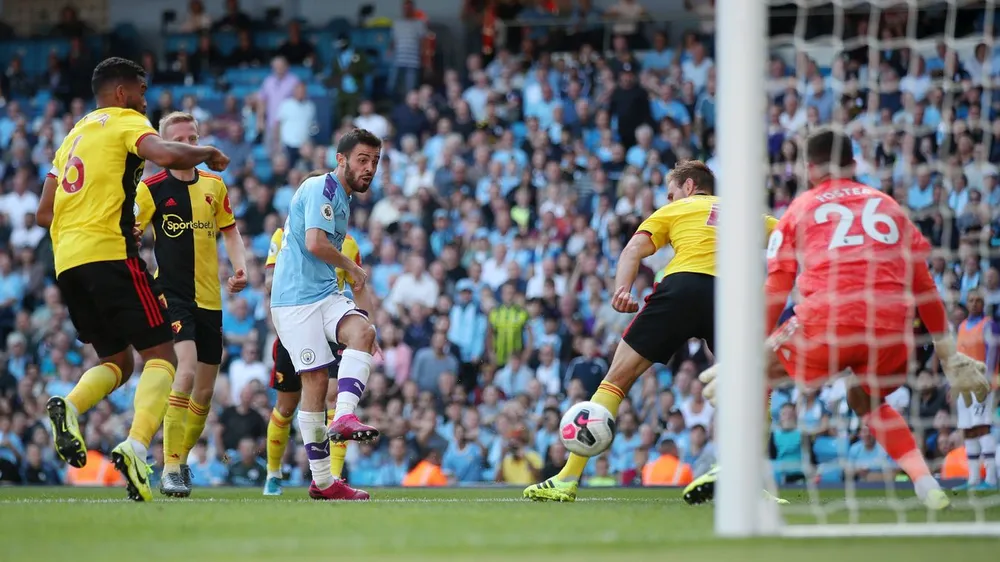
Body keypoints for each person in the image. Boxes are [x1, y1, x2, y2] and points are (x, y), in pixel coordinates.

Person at [696, 128, 991, 510]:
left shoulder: (801, 208)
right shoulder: (888, 205)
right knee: (862, 397)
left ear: (809, 167)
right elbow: (925, 287)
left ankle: (738, 474)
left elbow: (777, 288)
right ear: (853, 165)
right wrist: (948, 355)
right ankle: (925, 482)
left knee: (755, 372)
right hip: (892, 331)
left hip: (828, 320)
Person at [523, 159, 778, 502]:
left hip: (681, 288)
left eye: (672, 193)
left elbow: (632, 250)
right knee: (753, 388)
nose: (670, 199)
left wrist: (622, 289)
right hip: (730, 298)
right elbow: (790, 237)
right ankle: (753, 484)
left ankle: (567, 479)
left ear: (688, 187)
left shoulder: (675, 210)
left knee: (617, 378)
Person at [35, 57, 229, 502]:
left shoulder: (71, 137)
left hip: (67, 261)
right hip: (109, 253)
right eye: (141, 90)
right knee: (164, 356)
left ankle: (71, 404)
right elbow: (163, 154)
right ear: (122, 92)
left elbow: (44, 212)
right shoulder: (127, 121)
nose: (145, 98)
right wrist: (206, 153)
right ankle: (137, 447)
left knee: (119, 362)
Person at [134, 111, 248, 498]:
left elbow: (230, 233)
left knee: (204, 393)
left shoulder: (215, 185)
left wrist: (240, 270)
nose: (188, 145)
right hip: (172, 294)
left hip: (210, 299)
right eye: (179, 139)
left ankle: (181, 458)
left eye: (193, 138)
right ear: (165, 147)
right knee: (183, 369)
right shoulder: (150, 188)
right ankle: (168, 468)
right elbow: (130, 231)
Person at [269, 129, 381, 501]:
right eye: (363, 159)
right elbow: (316, 243)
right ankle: (322, 481)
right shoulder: (322, 187)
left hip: (324, 293)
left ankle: (345, 415)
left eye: (375, 162)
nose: (369, 168)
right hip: (294, 301)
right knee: (315, 384)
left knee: (364, 332)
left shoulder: (343, 199)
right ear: (341, 159)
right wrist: (352, 267)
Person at [951, 289, 998, 491]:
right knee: (968, 430)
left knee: (982, 427)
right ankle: (973, 479)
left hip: (981, 385)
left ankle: (992, 479)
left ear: (984, 303)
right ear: (966, 302)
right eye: (971, 300)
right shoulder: (961, 326)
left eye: (978, 301)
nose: (974, 304)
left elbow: (994, 353)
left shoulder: (989, 325)